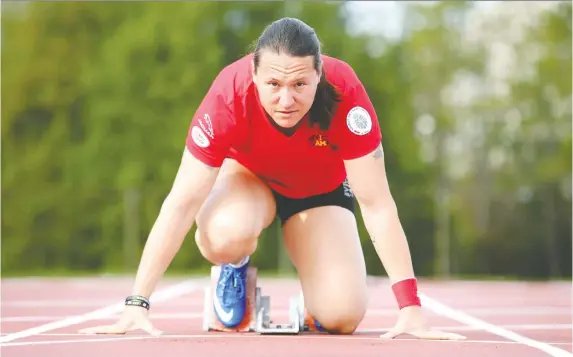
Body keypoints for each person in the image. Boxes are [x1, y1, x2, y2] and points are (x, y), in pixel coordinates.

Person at [79, 17, 465, 340]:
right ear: (254, 73)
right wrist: (137, 303)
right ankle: (235, 269)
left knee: (343, 316)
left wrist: (410, 308)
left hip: (319, 193)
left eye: (300, 85)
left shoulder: (346, 95)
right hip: (250, 182)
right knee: (224, 234)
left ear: (319, 74)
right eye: (273, 85)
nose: (286, 100)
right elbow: (181, 203)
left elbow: (377, 204)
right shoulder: (228, 97)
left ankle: (314, 299)